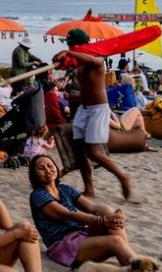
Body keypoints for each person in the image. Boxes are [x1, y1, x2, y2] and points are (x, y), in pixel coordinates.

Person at [27, 155, 162, 272]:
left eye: (50, 165)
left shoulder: (64, 188)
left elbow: (93, 207)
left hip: (81, 237)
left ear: (56, 167)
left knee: (107, 210)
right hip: (63, 246)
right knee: (115, 241)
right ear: (34, 175)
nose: (47, 170)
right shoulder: (37, 195)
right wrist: (102, 221)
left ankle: (128, 260)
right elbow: (67, 215)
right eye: (41, 168)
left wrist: (116, 214)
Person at [52, 29, 132, 200]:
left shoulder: (97, 58)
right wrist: (61, 61)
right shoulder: (78, 62)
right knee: (79, 150)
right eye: (69, 45)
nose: (70, 47)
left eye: (72, 45)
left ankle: (122, 177)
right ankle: (89, 189)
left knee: (94, 152)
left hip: (98, 109)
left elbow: (93, 61)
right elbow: (66, 66)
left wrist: (69, 53)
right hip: (83, 108)